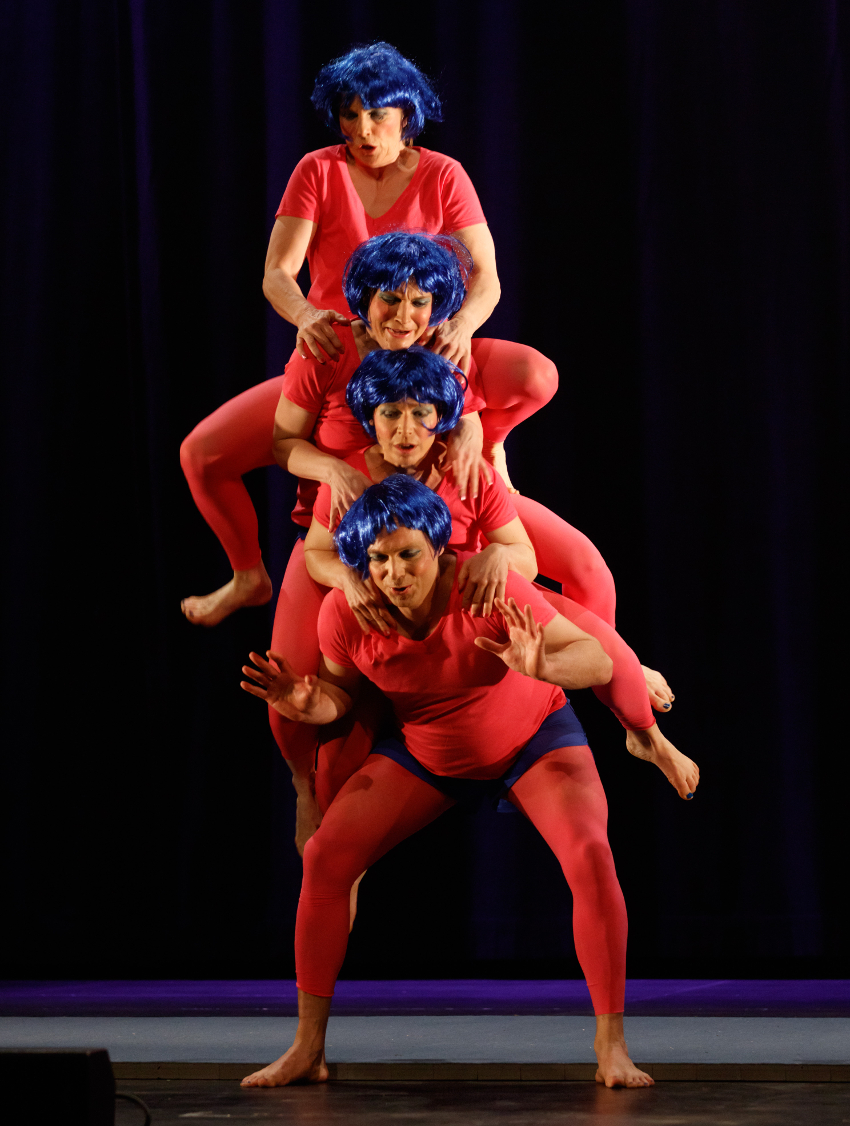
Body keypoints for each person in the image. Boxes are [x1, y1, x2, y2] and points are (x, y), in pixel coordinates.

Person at [239, 475, 662, 1089]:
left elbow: (596, 659)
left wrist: (543, 662)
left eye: (408, 554)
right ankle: (307, 1048)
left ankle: (611, 1046)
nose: (394, 574)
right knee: (326, 857)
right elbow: (342, 695)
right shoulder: (347, 611)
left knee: (591, 854)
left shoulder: (485, 586)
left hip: (533, 741)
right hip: (428, 754)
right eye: (378, 560)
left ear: (438, 547)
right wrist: (308, 704)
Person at [180, 42, 558, 628]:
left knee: (534, 374)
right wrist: (308, 317)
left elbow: (487, 277)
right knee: (202, 455)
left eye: (377, 114)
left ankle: (486, 439)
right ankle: (249, 576)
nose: (362, 129)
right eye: (350, 115)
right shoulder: (317, 169)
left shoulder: (443, 174)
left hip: (425, 351)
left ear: (407, 115)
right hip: (342, 355)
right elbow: (277, 273)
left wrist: (460, 327)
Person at [303, 347, 698, 812]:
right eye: (391, 414)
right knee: (323, 741)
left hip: (477, 596)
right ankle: (311, 807)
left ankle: (647, 737)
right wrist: (347, 578)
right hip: (393, 608)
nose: (406, 430)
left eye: (420, 414)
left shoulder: (468, 471)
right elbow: (315, 553)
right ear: (371, 417)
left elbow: (523, 556)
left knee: (613, 654)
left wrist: (498, 555)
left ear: (440, 417)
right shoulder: (346, 480)